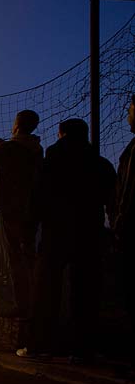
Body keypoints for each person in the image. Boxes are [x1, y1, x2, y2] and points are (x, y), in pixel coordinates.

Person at [22, 119, 116, 363]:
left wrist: (29, 234)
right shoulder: (100, 165)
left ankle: (40, 346)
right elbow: (113, 202)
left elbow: (35, 201)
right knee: (85, 293)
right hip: (89, 235)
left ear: (61, 134)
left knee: (45, 291)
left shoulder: (49, 164)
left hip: (55, 234)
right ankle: (82, 349)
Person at [0, 110, 43, 318]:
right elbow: (12, 152)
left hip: (11, 211)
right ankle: (34, 304)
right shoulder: (35, 150)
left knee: (15, 259)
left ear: (17, 125)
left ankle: (22, 306)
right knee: (28, 257)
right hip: (31, 211)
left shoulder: (11, 149)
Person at [114, 94, 135, 366]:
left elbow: (128, 190)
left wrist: (120, 219)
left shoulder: (133, 152)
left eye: (130, 110)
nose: (127, 115)